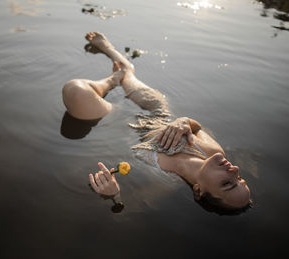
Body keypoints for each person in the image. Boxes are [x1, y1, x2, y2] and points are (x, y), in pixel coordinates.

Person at [62, 32, 252, 214]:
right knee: (127, 73)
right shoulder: (213, 151)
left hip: (118, 125)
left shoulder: (165, 184)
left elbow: (132, 205)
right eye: (240, 178)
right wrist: (183, 122)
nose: (233, 170)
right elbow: (198, 127)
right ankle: (115, 72)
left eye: (227, 183)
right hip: (156, 111)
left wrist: (113, 194)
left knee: (74, 90)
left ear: (198, 191)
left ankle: (114, 80)